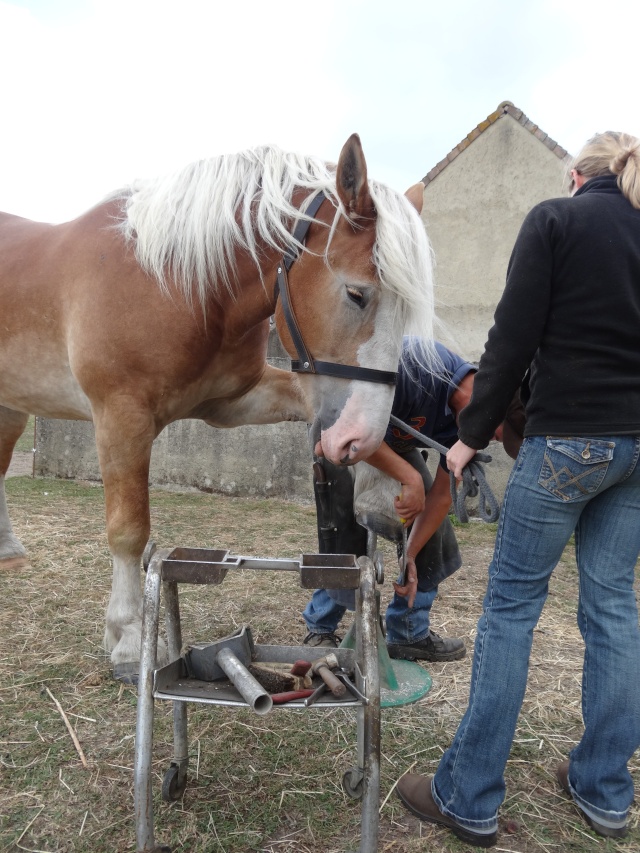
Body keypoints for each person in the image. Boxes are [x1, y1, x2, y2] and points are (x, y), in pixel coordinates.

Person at [396, 131, 640, 847]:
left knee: (509, 610)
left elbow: (511, 339)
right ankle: (604, 789)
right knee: (614, 610)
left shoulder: (557, 220)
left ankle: (467, 795)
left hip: (567, 440)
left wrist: (468, 436)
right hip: (637, 448)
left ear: (575, 175)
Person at [303, 340, 482, 662]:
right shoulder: (419, 366)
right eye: (500, 432)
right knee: (344, 534)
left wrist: (410, 554)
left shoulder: (472, 426)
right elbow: (337, 432)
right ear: (492, 405)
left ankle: (409, 634)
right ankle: (320, 627)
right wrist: (409, 478)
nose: (493, 440)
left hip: (390, 446)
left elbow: (441, 496)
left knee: (433, 536)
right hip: (338, 438)